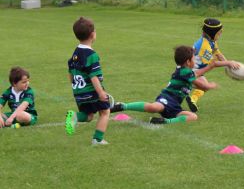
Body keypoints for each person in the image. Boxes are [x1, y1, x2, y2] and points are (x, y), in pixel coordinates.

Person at [110, 46, 220, 125]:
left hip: (175, 106)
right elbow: (200, 85)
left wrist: (211, 66)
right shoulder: (185, 72)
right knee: (154, 107)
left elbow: (197, 73)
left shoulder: (185, 71)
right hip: (167, 98)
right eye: (193, 59)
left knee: (193, 116)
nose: (195, 61)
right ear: (188, 62)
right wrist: (210, 86)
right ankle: (122, 106)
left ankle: (164, 121)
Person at [65, 17, 111, 145]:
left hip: (78, 91)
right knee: (105, 112)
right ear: (92, 35)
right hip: (91, 91)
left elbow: (70, 72)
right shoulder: (92, 55)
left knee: (89, 116)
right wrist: (101, 93)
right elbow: (94, 76)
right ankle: (97, 139)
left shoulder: (75, 53)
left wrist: (75, 85)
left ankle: (75, 117)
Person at [186, 18, 239, 112]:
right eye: (219, 33)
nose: (220, 34)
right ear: (212, 33)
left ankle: (192, 99)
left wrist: (228, 65)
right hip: (189, 71)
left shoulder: (211, 41)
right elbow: (212, 63)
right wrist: (229, 63)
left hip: (196, 71)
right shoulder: (204, 46)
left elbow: (218, 54)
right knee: (201, 86)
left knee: (203, 86)